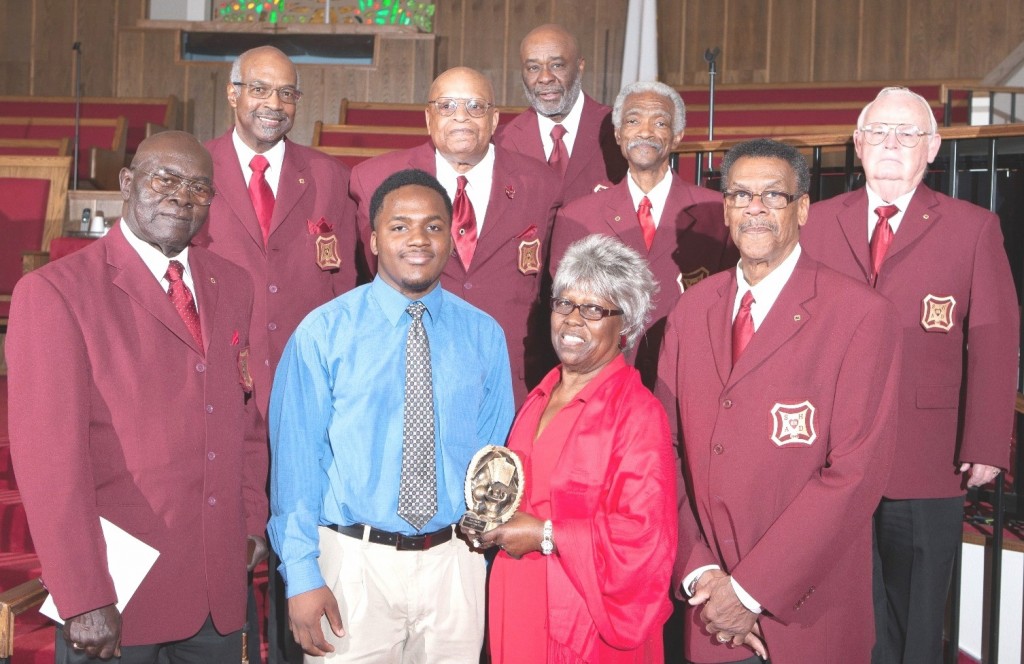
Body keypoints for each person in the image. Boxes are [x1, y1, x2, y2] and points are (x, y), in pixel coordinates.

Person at [7, 131, 269, 663]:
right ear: (127, 184)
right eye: (164, 178)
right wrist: (84, 594)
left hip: (216, 589)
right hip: (116, 594)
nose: (181, 196)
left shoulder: (232, 284)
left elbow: (244, 420)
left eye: (199, 186)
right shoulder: (57, 291)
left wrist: (250, 521)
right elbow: (50, 464)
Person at [656, 138, 902, 663]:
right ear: (725, 208)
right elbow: (664, 451)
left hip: (810, 616)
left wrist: (748, 592)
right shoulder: (691, 310)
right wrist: (699, 571)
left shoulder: (860, 315)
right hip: (711, 612)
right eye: (741, 195)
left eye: (773, 196)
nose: (756, 210)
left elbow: (856, 475)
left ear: (804, 208)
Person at [801, 87, 1019, 664]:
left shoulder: (973, 227)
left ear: (933, 147)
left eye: (907, 133)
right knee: (838, 608)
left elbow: (994, 340)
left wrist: (987, 443)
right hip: (827, 452)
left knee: (917, 612)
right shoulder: (814, 222)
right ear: (857, 143)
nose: (891, 144)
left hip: (928, 456)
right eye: (878, 132)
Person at [269, 169, 515, 663]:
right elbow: (296, 467)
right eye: (399, 227)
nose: (418, 240)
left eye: (433, 226)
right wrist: (301, 573)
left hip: (455, 563)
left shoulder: (484, 336)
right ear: (374, 240)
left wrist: (480, 550)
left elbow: (493, 459)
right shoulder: (323, 334)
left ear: (452, 238)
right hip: (353, 563)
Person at [468, 234, 676, 663]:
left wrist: (545, 535)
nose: (572, 321)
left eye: (595, 310)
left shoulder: (638, 414)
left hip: (585, 621)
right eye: (564, 304)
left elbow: (645, 540)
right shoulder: (537, 397)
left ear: (627, 325)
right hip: (518, 599)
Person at [349, 66, 561, 405]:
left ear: (494, 120)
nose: (461, 117)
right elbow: (364, 276)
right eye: (446, 106)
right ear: (428, 117)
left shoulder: (541, 184)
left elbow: (551, 288)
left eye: (475, 106)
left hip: (507, 380)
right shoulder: (373, 179)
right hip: (400, 377)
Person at [194, 45, 358, 418]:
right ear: (232, 93)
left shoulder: (330, 176)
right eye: (260, 89)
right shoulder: (196, 169)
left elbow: (345, 284)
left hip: (308, 380)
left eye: (287, 93)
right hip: (218, 378)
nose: (274, 104)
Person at [549, 81, 734, 388]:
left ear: (677, 136)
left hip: (688, 378)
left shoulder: (716, 213)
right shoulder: (577, 217)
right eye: (633, 121)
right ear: (619, 134)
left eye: (659, 122)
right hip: (604, 383)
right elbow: (565, 312)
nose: (646, 131)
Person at [494, 24, 627, 203]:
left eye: (557, 65)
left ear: (580, 66)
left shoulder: (619, 130)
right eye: (533, 68)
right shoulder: (501, 142)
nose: (545, 77)